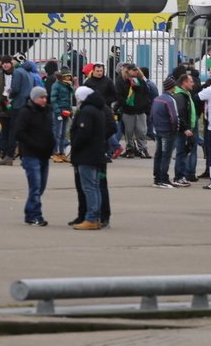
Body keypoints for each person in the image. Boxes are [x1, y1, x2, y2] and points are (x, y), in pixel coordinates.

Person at [15, 86, 55, 226]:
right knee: (35, 186)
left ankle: (29, 211)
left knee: (41, 186)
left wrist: (51, 145)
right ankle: (35, 215)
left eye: (45, 97)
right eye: (41, 97)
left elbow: (50, 129)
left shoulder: (48, 111)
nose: (44, 100)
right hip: (31, 154)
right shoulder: (26, 112)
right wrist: (34, 144)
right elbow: (19, 132)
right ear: (34, 98)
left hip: (45, 154)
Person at [70, 85, 109, 230]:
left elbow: (83, 133)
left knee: (89, 187)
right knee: (95, 186)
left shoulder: (87, 111)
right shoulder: (98, 109)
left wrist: (74, 146)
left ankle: (91, 218)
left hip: (87, 155)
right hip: (96, 153)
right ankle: (95, 216)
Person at [150, 76, 181, 189]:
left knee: (158, 154)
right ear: (172, 87)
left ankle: (157, 178)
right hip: (168, 131)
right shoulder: (170, 100)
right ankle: (164, 178)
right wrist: (175, 128)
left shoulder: (157, 99)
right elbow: (174, 116)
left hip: (158, 130)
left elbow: (152, 115)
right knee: (166, 155)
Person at [116, 63, 152, 158]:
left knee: (141, 131)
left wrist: (145, 105)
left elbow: (146, 94)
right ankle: (130, 149)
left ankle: (142, 149)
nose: (135, 71)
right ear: (128, 71)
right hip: (128, 111)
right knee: (129, 131)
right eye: (133, 70)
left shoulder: (141, 81)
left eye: (136, 70)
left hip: (140, 110)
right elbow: (119, 96)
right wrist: (125, 104)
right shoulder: (122, 81)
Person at [171, 73, 198, 187]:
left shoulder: (185, 94)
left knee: (183, 152)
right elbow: (180, 114)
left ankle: (180, 176)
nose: (193, 84)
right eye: (191, 81)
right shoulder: (180, 96)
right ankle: (179, 177)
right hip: (182, 130)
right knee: (181, 153)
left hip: (185, 128)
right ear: (184, 83)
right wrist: (186, 128)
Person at [49, 71, 74, 163]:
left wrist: (70, 111)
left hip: (66, 112)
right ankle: (55, 153)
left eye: (69, 76)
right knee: (57, 133)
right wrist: (58, 113)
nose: (69, 78)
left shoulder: (67, 85)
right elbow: (53, 99)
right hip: (58, 112)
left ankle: (61, 153)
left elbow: (69, 99)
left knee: (63, 133)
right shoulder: (56, 85)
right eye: (67, 76)